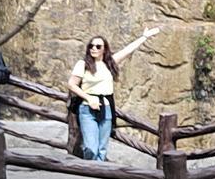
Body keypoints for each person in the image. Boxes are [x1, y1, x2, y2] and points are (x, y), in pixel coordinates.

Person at [67, 26, 162, 161]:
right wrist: (89, 98)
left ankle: (96, 176)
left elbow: (128, 50)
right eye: (91, 46)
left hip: (106, 108)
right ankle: (90, 170)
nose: (94, 48)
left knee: (102, 149)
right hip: (88, 108)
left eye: (98, 46)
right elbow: (71, 84)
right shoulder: (83, 64)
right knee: (90, 148)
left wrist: (144, 37)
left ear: (104, 49)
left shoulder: (109, 63)